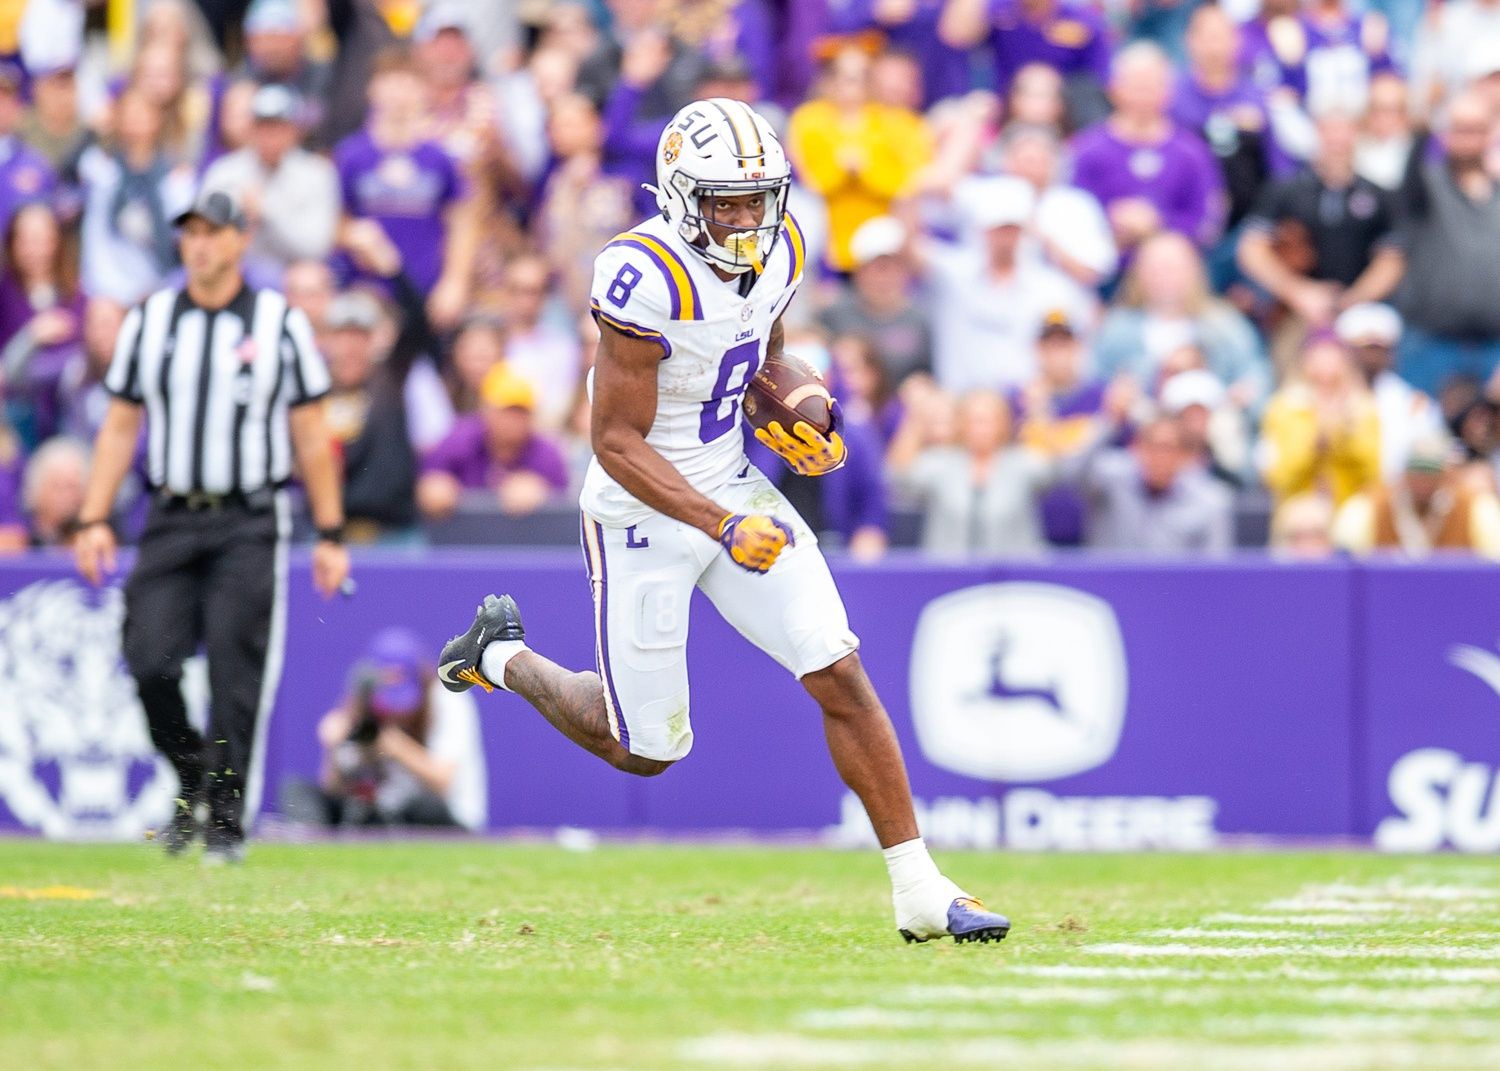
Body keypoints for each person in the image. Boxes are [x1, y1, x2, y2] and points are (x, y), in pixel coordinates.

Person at [434, 97, 1010, 945]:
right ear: (677, 194)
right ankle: (501, 654)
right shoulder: (642, 275)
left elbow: (763, 359)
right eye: (725, 201)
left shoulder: (782, 250)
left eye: (756, 199)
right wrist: (719, 525)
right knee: (644, 747)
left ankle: (920, 890)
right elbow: (615, 441)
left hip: (730, 484)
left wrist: (804, 406)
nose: (745, 218)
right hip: (643, 504)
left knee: (837, 668)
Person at [73, 188, 351, 864]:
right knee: (146, 656)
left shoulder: (278, 321)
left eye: (212, 231)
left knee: (236, 671)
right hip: (169, 514)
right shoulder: (153, 319)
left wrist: (331, 532)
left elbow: (312, 433)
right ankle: (193, 776)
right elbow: (119, 424)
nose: (199, 243)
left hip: (248, 518)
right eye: (190, 231)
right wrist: (93, 516)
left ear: (239, 240)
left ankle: (225, 823)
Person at [282, 627, 487, 830]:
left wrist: (394, 747)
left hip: (441, 819)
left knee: (423, 808)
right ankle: (311, 849)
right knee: (296, 790)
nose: (397, 713)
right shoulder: (360, 703)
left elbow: (444, 783)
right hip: (379, 815)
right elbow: (333, 789)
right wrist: (333, 748)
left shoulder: (448, 700)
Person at [785, 45, 933, 273]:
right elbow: (810, 183)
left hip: (881, 234)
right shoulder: (808, 120)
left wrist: (867, 170)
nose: (853, 86)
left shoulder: (896, 122)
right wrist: (840, 169)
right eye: (846, 77)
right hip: (826, 234)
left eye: (863, 76)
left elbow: (905, 184)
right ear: (828, 79)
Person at [1070, 43, 1227, 257]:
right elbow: (1070, 212)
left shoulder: (1191, 153)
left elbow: (1206, 220)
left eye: (1152, 86)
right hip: (1101, 266)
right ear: (1114, 89)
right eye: (1136, 85)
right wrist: (1112, 222)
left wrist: (1158, 224)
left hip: (1173, 272)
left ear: (1169, 92)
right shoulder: (1088, 149)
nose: (1143, 95)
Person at [1391, 92, 1500, 396]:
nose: (1467, 140)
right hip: (1432, 343)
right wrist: (1424, 127)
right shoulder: (1428, 187)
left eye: (1476, 129)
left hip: (1493, 345)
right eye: (1459, 129)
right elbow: (1409, 175)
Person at [889, 387, 1052, 558]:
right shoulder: (941, 461)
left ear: (1003, 424)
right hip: (949, 572)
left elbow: (1052, 468)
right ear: (960, 424)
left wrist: (1038, 413)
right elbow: (899, 475)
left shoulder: (1021, 462)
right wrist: (916, 417)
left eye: (987, 421)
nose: (980, 429)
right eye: (973, 421)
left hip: (1013, 572)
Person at [200, 84, 341, 279]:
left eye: (278, 127)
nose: (270, 136)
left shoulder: (317, 173)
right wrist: (236, 216)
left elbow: (316, 248)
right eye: (263, 127)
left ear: (295, 130)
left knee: (310, 277)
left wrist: (266, 211)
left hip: (290, 276)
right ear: (252, 129)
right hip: (232, 270)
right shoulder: (226, 170)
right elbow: (202, 234)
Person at [417, 363, 570, 521]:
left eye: (520, 411)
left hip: (524, 541)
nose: (512, 420)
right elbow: (430, 482)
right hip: (465, 539)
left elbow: (564, 504)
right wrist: (438, 488)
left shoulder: (546, 453)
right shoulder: (460, 439)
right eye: (506, 411)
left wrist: (543, 493)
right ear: (485, 410)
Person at [1259, 333, 1381, 510]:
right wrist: (1312, 446)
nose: (1326, 369)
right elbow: (1275, 477)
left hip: (1350, 510)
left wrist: (1344, 439)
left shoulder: (1364, 407)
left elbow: (1374, 474)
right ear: (1305, 362)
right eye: (1319, 359)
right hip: (1296, 513)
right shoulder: (1284, 407)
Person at [1333, 436, 1500, 558]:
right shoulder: (1370, 507)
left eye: (1429, 474)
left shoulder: (1475, 508)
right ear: (1404, 475)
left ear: (1444, 476)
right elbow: (1347, 555)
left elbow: (1493, 562)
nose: (1422, 482)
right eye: (1416, 474)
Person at [817, 215, 932, 388]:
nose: (884, 278)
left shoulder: (920, 320)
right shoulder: (834, 315)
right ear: (859, 273)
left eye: (891, 267)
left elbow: (928, 376)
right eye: (877, 268)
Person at [1334, 302, 1443, 480]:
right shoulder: (1323, 397)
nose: (1371, 357)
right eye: (1365, 349)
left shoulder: (1411, 402)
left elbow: (1430, 455)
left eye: (1378, 349)